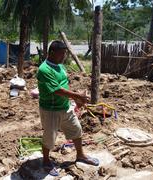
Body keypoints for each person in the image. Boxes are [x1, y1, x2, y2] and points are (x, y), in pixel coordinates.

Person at [36, 40, 99, 176]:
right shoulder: (44, 69)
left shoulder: (60, 66)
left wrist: (76, 100)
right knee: (50, 137)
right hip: (51, 109)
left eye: (65, 53)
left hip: (65, 107)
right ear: (52, 53)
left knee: (76, 129)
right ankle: (46, 161)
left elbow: (65, 85)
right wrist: (77, 95)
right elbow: (57, 90)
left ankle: (81, 155)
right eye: (62, 53)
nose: (64, 56)